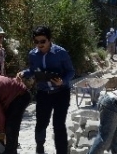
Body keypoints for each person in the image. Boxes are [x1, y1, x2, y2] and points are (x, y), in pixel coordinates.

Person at [16, 26, 75, 154]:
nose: (39, 45)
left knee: (59, 125)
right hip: (43, 93)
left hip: (61, 93)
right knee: (41, 123)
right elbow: (32, 70)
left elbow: (71, 71)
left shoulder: (61, 53)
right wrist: (23, 73)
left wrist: (62, 81)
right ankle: (40, 148)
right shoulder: (33, 54)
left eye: (43, 41)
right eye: (36, 42)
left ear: (49, 40)